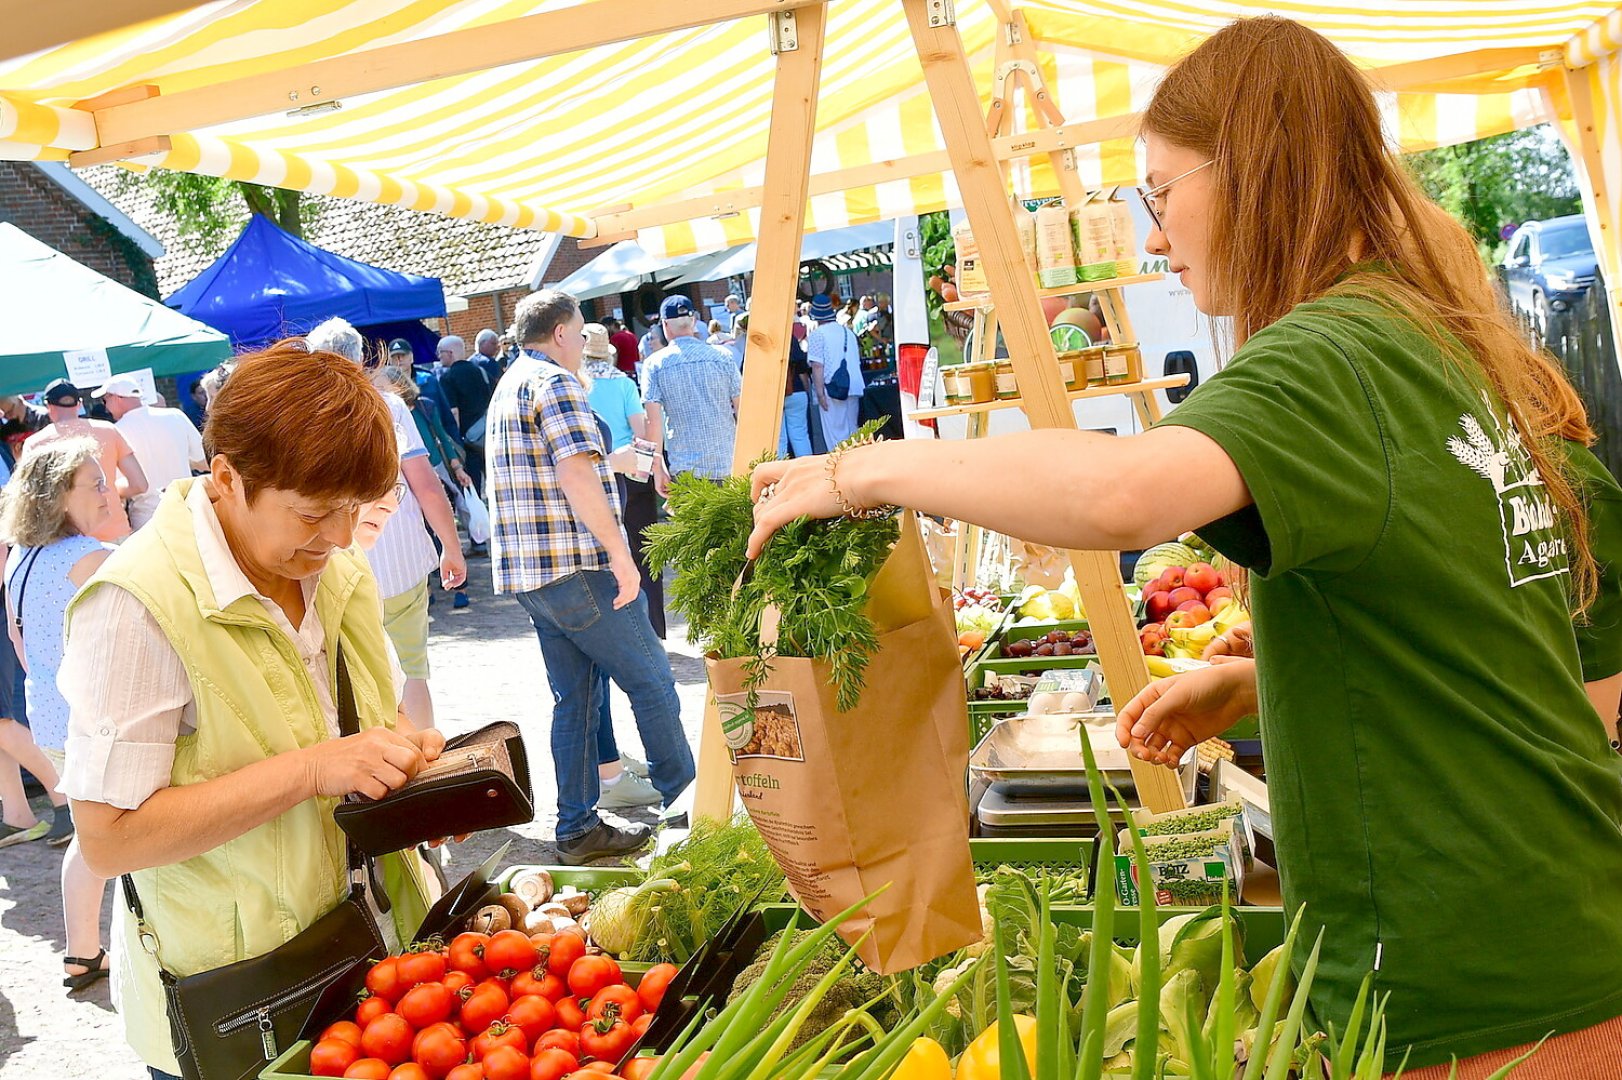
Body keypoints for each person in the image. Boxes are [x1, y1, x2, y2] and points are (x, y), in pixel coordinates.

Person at [746, 16, 1622, 1077]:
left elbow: (1121, 494)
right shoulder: (1431, 344)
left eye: (1158, 191)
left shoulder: (1327, 353)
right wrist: (1273, 689)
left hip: (1465, 977)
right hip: (1559, 918)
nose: (1153, 234)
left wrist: (859, 471)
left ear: (1247, 168)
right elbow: (1537, 681)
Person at [59, 344, 443, 1080]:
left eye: (352, 511)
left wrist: (415, 768)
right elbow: (106, 841)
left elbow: (369, 723)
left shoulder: (332, 563)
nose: (338, 538)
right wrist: (308, 771)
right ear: (227, 478)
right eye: (312, 513)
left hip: (374, 960)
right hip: (245, 1004)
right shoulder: (135, 606)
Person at [486, 289, 694, 864]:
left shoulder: (513, 381)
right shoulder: (554, 383)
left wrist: (617, 463)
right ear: (559, 334)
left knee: (574, 701)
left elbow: (563, 469)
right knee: (652, 679)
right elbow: (575, 476)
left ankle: (577, 829)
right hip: (576, 567)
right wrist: (623, 558)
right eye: (580, 332)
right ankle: (690, 811)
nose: (584, 343)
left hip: (535, 574)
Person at [308, 319, 469, 722]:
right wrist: (451, 546)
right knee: (411, 670)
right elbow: (426, 487)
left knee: (352, 677)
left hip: (337, 565)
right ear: (359, 357)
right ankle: (425, 763)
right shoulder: (390, 405)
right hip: (400, 562)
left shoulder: (306, 418)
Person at [0, 438, 113, 989]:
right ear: (58, 497)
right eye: (94, 484)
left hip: (49, 715)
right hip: (97, 718)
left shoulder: (21, 557)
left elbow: (22, 647)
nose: (108, 491)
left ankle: (83, 952)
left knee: (94, 836)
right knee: (133, 832)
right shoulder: (89, 558)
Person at [583, 323, 666, 640]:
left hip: (593, 476)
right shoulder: (623, 383)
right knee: (644, 551)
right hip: (631, 475)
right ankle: (654, 628)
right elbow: (641, 434)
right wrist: (647, 469)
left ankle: (617, 633)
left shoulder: (576, 386)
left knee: (603, 556)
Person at [641, 294, 742, 497]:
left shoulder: (654, 364)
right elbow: (743, 411)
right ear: (694, 321)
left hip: (686, 469)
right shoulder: (723, 357)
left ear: (665, 325)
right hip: (729, 463)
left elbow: (653, 422)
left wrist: (656, 468)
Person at [25, 380, 147, 543]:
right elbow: (139, 484)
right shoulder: (108, 430)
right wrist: (108, 489)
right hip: (115, 531)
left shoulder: (35, 444)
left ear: (48, 405)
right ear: (80, 403)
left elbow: (33, 496)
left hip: (67, 539)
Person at [93, 375, 207, 531]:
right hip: (186, 508)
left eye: (105, 400)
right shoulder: (175, 415)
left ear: (116, 397)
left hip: (148, 518)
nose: (106, 408)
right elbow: (203, 460)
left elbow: (122, 485)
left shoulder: (116, 432)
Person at [436, 334, 496, 497]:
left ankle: (479, 517)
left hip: (467, 440)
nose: (439, 356)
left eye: (440, 352)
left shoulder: (448, 378)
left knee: (473, 485)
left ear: (450, 353)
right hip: (487, 435)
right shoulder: (481, 371)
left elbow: (454, 411)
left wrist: (455, 442)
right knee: (494, 479)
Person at [805, 293, 864, 449]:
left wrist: (819, 394)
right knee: (853, 432)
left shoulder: (817, 335)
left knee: (836, 437)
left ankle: (842, 470)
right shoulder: (848, 333)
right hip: (853, 385)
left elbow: (817, 366)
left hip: (832, 388)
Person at [780, 320, 814, 458]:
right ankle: (808, 471)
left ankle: (777, 476)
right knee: (800, 436)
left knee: (778, 439)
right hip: (797, 390)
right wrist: (807, 393)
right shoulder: (790, 338)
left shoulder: (762, 340)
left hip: (773, 395)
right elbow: (802, 369)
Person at [0, 394, 48, 474]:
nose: (10, 416)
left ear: (20, 400)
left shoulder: (44, 418)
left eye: (11, 411)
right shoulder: (5, 429)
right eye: (5, 415)